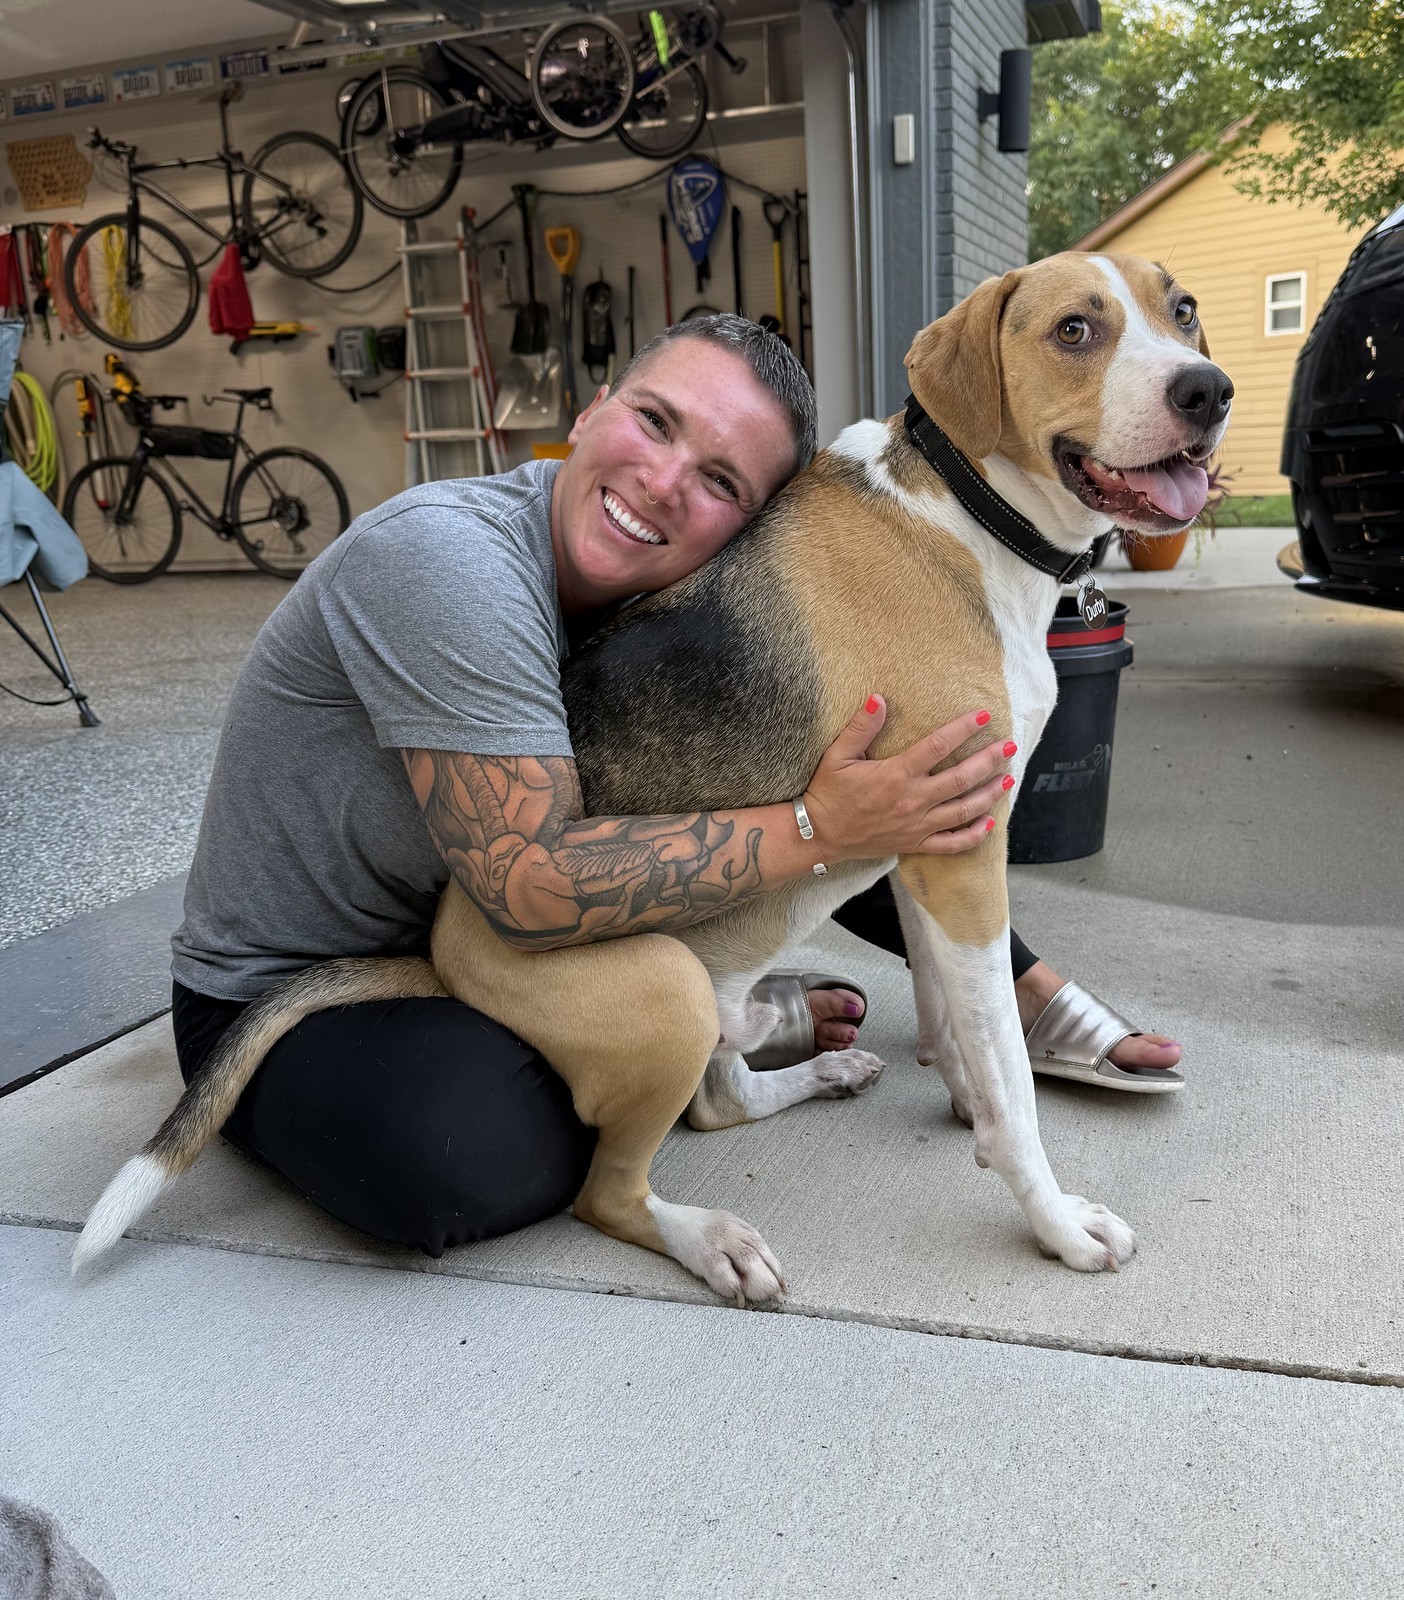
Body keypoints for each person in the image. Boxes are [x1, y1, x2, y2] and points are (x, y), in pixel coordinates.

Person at [170, 315, 1182, 1259]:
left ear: (754, 523)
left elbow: (877, 811)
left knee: (658, 1021)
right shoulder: (449, 564)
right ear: (589, 410)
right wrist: (812, 836)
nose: (661, 484)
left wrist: (1019, 982)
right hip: (291, 987)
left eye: (720, 480)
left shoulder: (676, 597)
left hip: (480, 934)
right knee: (466, 1153)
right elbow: (540, 882)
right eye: (655, 422)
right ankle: (700, 1054)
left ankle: (715, 1049)